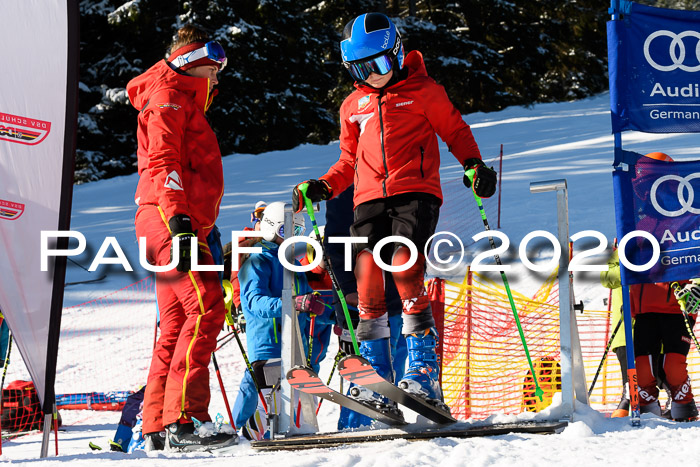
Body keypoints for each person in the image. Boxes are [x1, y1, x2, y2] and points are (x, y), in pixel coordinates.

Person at [292, 12, 497, 411]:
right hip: (367, 199)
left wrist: (474, 164)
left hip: (415, 192)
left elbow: (455, 131)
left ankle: (422, 371)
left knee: (402, 262)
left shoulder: (424, 91)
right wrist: (324, 185)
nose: (375, 75)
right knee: (367, 274)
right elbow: (347, 160)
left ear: (398, 53)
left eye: (382, 64)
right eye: (363, 68)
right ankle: (376, 374)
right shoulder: (353, 105)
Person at [127, 25, 237, 451]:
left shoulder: (175, 97)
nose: (216, 80)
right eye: (214, 70)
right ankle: (185, 419)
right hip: (168, 217)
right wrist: (180, 223)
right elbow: (164, 161)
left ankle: (156, 424)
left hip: (172, 219)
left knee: (176, 322)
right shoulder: (170, 97)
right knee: (207, 306)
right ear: (195, 64)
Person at [231, 201, 326, 439]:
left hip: (295, 345)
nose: (293, 238)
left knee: (294, 396)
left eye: (298, 233)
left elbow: (303, 301)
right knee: (263, 394)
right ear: (271, 229)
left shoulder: (294, 264)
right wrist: (293, 304)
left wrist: (319, 309)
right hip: (269, 343)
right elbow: (254, 301)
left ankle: (296, 430)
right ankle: (239, 430)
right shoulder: (257, 260)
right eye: (287, 232)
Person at [223, 200, 267, 332]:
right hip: (240, 301)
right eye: (260, 222)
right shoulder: (241, 245)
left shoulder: (276, 243)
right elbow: (236, 276)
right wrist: (239, 305)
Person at [600, 248, 630, 417]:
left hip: (654, 321)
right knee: (630, 376)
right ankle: (627, 400)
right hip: (625, 328)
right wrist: (630, 266)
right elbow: (606, 278)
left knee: (660, 374)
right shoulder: (620, 251)